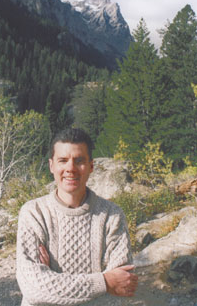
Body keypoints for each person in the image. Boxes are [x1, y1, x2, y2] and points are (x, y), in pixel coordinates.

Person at [16, 128, 138, 305]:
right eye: (63, 160)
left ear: (91, 166)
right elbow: (32, 287)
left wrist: (52, 281)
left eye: (79, 161)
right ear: (52, 166)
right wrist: (104, 282)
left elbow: (121, 286)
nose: (70, 168)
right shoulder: (34, 213)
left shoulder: (112, 215)